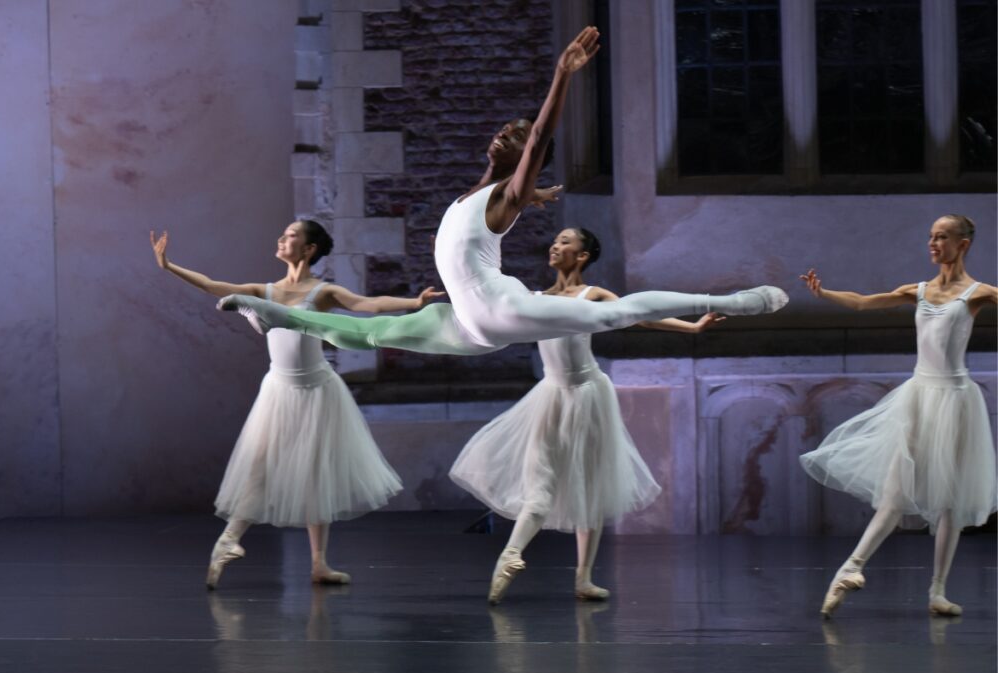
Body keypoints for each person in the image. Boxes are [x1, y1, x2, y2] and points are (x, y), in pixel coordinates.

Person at [216, 27, 787, 354]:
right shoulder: (477, 194)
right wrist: (534, 196)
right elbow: (499, 197)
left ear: (523, 159)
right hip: (467, 320)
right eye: (504, 130)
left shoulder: (506, 195)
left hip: (500, 306)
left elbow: (540, 138)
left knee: (617, 313)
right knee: (371, 334)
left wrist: (561, 76)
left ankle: (735, 300)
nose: (504, 134)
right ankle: (276, 316)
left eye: (512, 135)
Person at [150, 221, 441, 589]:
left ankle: (319, 563)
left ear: (308, 250)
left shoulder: (322, 291)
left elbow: (367, 304)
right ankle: (228, 541)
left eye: (290, 236)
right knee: (258, 467)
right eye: (283, 234)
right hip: (280, 390)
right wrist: (169, 266)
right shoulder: (265, 290)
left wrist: (413, 303)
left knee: (316, 472)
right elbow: (213, 286)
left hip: (318, 389)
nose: (281, 238)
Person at [450, 227, 724, 604]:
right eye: (556, 240)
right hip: (550, 395)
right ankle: (511, 554)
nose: (555, 245)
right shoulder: (533, 298)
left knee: (590, 485)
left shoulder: (590, 295)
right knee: (539, 485)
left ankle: (583, 578)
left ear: (581, 256)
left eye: (565, 241)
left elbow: (638, 315)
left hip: (588, 394)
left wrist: (690, 327)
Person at [798, 214, 997, 618]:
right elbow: (863, 302)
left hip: (957, 399)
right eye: (930, 236)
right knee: (895, 492)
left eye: (942, 237)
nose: (933, 243)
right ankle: (850, 568)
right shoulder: (918, 291)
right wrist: (824, 293)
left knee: (950, 504)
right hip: (920, 397)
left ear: (963, 244)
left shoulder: (978, 293)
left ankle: (937, 591)